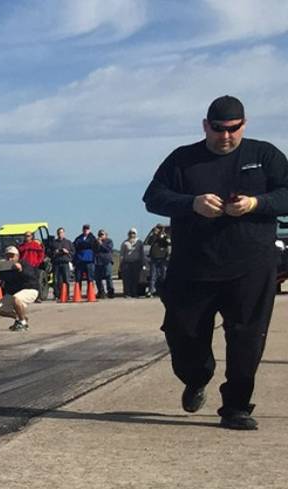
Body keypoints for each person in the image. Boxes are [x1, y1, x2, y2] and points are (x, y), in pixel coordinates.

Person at [142, 94, 288, 430]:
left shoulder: (265, 155)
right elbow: (153, 197)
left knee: (246, 337)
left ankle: (236, 406)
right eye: (219, 130)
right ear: (206, 126)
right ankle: (196, 376)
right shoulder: (182, 160)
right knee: (183, 334)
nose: (226, 137)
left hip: (251, 265)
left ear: (244, 125)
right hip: (194, 267)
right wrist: (191, 203)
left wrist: (256, 203)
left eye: (233, 130)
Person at [0, 246, 39, 330]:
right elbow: (1, 280)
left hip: (29, 289)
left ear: (17, 256)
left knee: (16, 298)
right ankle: (20, 317)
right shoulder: (4, 267)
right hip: (13, 292)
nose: (10, 258)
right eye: (8, 256)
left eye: (12, 256)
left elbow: (32, 277)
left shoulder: (24, 264)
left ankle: (23, 323)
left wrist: (21, 270)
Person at [17, 230, 47, 301]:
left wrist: (38, 262)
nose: (27, 237)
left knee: (36, 283)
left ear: (31, 237)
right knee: (24, 282)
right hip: (24, 267)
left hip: (34, 266)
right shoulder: (21, 246)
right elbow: (18, 256)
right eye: (25, 236)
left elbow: (41, 254)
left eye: (28, 236)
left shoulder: (36, 245)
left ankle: (38, 297)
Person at [145, 223, 172, 296]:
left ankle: (163, 290)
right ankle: (152, 290)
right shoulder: (153, 236)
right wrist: (154, 235)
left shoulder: (166, 236)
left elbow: (168, 243)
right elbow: (149, 242)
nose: (159, 229)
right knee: (153, 275)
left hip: (163, 257)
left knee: (163, 275)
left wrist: (163, 236)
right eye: (158, 228)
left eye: (161, 228)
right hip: (154, 257)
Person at [48, 227, 74, 301]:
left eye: (61, 232)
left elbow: (73, 252)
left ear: (64, 233)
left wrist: (67, 252)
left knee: (66, 280)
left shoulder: (68, 242)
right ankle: (57, 295)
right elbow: (48, 252)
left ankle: (67, 295)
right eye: (59, 233)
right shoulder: (53, 243)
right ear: (57, 234)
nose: (60, 234)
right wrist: (54, 252)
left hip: (65, 263)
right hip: (56, 263)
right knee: (56, 280)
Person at [73, 224, 98, 296]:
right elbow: (75, 245)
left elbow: (93, 246)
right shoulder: (78, 238)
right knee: (78, 278)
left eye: (87, 229)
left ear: (89, 230)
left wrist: (83, 245)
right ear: (82, 230)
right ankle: (78, 293)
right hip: (80, 260)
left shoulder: (92, 238)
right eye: (84, 229)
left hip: (89, 261)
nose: (85, 230)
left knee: (90, 278)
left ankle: (90, 293)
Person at [118, 228, 145, 297]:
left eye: (133, 233)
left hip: (136, 263)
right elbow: (121, 254)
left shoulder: (139, 242)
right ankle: (127, 293)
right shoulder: (125, 243)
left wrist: (143, 263)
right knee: (126, 279)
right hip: (127, 263)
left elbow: (142, 254)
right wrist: (120, 264)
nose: (132, 234)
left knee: (135, 279)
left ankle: (135, 293)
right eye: (130, 233)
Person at [95, 229, 115, 298]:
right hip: (98, 262)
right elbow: (94, 250)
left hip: (107, 261)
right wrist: (97, 243)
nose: (100, 236)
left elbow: (108, 249)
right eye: (99, 235)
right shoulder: (96, 242)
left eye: (102, 234)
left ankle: (110, 291)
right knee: (98, 278)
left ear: (106, 235)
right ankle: (101, 292)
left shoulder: (109, 241)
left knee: (108, 276)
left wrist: (101, 244)